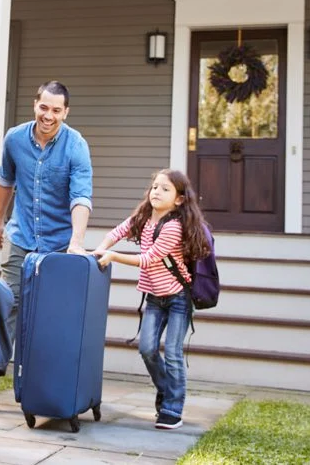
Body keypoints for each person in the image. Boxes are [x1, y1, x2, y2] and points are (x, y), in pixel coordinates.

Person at [0, 81, 93, 406]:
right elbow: (5, 181)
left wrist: (76, 240)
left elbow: (81, 196)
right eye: (44, 107)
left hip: (59, 243)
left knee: (51, 313)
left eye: (56, 110)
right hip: (20, 237)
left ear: (66, 112)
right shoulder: (15, 138)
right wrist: (0, 222)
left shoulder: (76, 146)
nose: (49, 115)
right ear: (36, 105)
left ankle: (46, 384)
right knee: (9, 301)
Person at [88, 169, 211, 430]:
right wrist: (102, 246)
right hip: (154, 298)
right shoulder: (143, 218)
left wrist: (112, 257)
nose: (157, 192)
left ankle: (172, 408)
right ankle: (167, 390)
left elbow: (149, 258)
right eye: (155, 187)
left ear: (179, 199)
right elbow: (119, 231)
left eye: (165, 189)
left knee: (174, 353)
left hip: (178, 297)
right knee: (147, 349)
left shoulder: (174, 227)